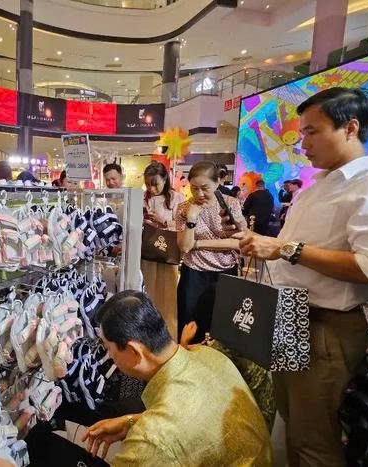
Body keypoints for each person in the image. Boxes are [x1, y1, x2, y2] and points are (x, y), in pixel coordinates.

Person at [238, 87, 368, 467]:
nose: (302, 142)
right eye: (301, 132)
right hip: (291, 316)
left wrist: (286, 249)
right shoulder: (320, 185)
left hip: (325, 326)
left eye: (312, 131)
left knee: (315, 440)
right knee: (292, 423)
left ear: (350, 128)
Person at [80, 291, 271, 466]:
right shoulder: (208, 355)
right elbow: (193, 419)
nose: (109, 355)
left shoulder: (152, 439)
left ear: (133, 351)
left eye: (108, 348)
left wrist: (141, 430)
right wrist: (131, 422)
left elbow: (168, 432)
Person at [174, 162, 243, 341]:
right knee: (190, 326)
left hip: (226, 273)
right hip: (193, 274)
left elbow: (237, 243)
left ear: (217, 182)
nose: (199, 194)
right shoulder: (184, 208)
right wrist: (191, 217)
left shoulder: (230, 204)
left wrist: (198, 244)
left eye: (205, 188)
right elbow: (185, 246)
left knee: (222, 326)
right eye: (194, 188)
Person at [141, 161, 185, 337]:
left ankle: (169, 334)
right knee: (147, 291)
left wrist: (163, 221)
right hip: (147, 252)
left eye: (155, 184)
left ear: (165, 179)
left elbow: (183, 226)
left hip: (168, 253)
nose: (151, 189)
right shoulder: (142, 198)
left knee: (168, 294)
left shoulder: (178, 198)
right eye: (148, 184)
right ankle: (147, 332)